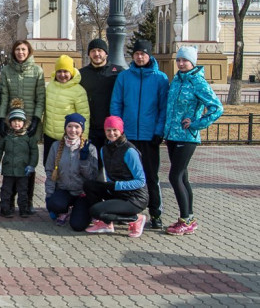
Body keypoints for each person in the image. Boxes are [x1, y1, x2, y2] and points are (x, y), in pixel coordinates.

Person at [164, 46, 223, 236]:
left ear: (193, 62)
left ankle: (185, 220)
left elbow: (216, 108)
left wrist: (196, 124)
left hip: (187, 137)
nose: (181, 63)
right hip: (172, 137)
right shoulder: (176, 80)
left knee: (174, 176)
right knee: (183, 177)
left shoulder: (198, 82)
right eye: (179, 60)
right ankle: (189, 217)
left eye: (185, 60)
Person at [110, 39, 169, 229]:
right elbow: (116, 103)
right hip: (127, 137)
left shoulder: (160, 78)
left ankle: (155, 213)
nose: (140, 57)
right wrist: (117, 130)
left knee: (150, 176)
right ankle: (127, 212)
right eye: (136, 54)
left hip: (149, 136)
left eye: (143, 54)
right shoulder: (124, 77)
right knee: (126, 175)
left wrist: (158, 131)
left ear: (149, 55)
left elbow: (163, 108)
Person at [0, 40, 45, 214]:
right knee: (12, 157)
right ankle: (8, 202)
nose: (20, 52)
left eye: (23, 49)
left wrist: (36, 120)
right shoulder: (6, 70)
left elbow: (40, 98)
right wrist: (1, 118)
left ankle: (27, 202)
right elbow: (4, 96)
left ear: (29, 51)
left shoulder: (37, 71)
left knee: (27, 160)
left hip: (30, 121)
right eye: (17, 49)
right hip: (12, 120)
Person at [84, 116, 149, 238]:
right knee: (90, 185)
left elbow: (141, 181)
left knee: (96, 211)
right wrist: (111, 188)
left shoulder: (129, 151)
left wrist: (117, 185)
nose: (111, 133)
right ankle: (106, 224)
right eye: (108, 130)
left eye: (115, 130)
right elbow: (109, 175)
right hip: (117, 192)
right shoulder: (104, 149)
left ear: (121, 131)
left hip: (135, 198)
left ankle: (136, 218)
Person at [44, 113, 98, 231]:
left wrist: (84, 161)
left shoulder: (90, 148)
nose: (73, 130)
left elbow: (92, 177)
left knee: (77, 226)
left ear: (82, 129)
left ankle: (82, 211)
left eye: (77, 127)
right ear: (65, 128)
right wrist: (49, 195)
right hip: (64, 190)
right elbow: (50, 172)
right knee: (54, 204)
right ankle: (64, 212)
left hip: (82, 193)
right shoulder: (56, 146)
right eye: (69, 126)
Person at [79, 39, 121, 169]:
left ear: (106, 53)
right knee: (92, 166)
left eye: (100, 50)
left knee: (113, 166)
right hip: (91, 129)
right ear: (89, 54)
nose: (96, 54)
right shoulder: (82, 74)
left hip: (112, 129)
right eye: (93, 51)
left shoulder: (118, 72)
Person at [42, 55, 90, 165]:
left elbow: (84, 116)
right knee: (49, 166)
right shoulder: (49, 87)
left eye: (65, 71)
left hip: (69, 138)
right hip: (49, 136)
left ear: (71, 72)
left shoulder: (78, 91)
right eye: (59, 71)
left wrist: (84, 138)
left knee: (65, 168)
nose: (62, 75)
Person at [0, 104, 38, 218]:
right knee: (6, 190)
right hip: (8, 169)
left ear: (24, 122)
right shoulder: (6, 136)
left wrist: (32, 165)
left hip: (23, 170)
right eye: (14, 121)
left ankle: (23, 209)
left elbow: (34, 152)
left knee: (23, 190)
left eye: (19, 121)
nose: (16, 123)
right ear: (10, 122)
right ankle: (5, 208)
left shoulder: (29, 137)